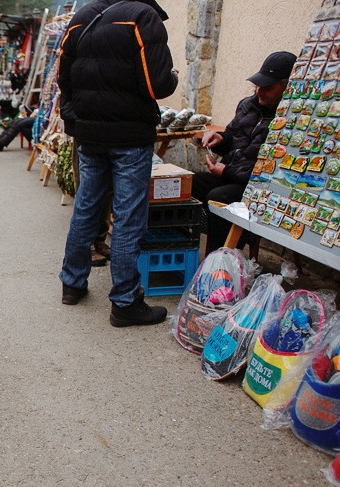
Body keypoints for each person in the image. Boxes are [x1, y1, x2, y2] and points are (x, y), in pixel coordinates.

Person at [58, 0, 178, 327]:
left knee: (86, 206)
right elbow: (157, 84)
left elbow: (64, 81)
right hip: (129, 134)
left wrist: (84, 114)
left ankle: (72, 283)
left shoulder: (81, 18)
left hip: (91, 133)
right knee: (127, 215)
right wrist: (173, 78)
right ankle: (125, 301)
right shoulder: (142, 17)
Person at [195, 51, 297, 253]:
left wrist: (226, 172)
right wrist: (220, 140)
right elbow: (232, 136)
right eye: (258, 86)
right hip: (230, 174)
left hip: (258, 187)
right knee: (186, 184)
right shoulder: (247, 105)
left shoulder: (289, 121)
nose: (260, 92)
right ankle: (177, 250)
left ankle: (220, 263)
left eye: (268, 88)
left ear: (287, 88)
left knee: (219, 198)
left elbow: (268, 172)